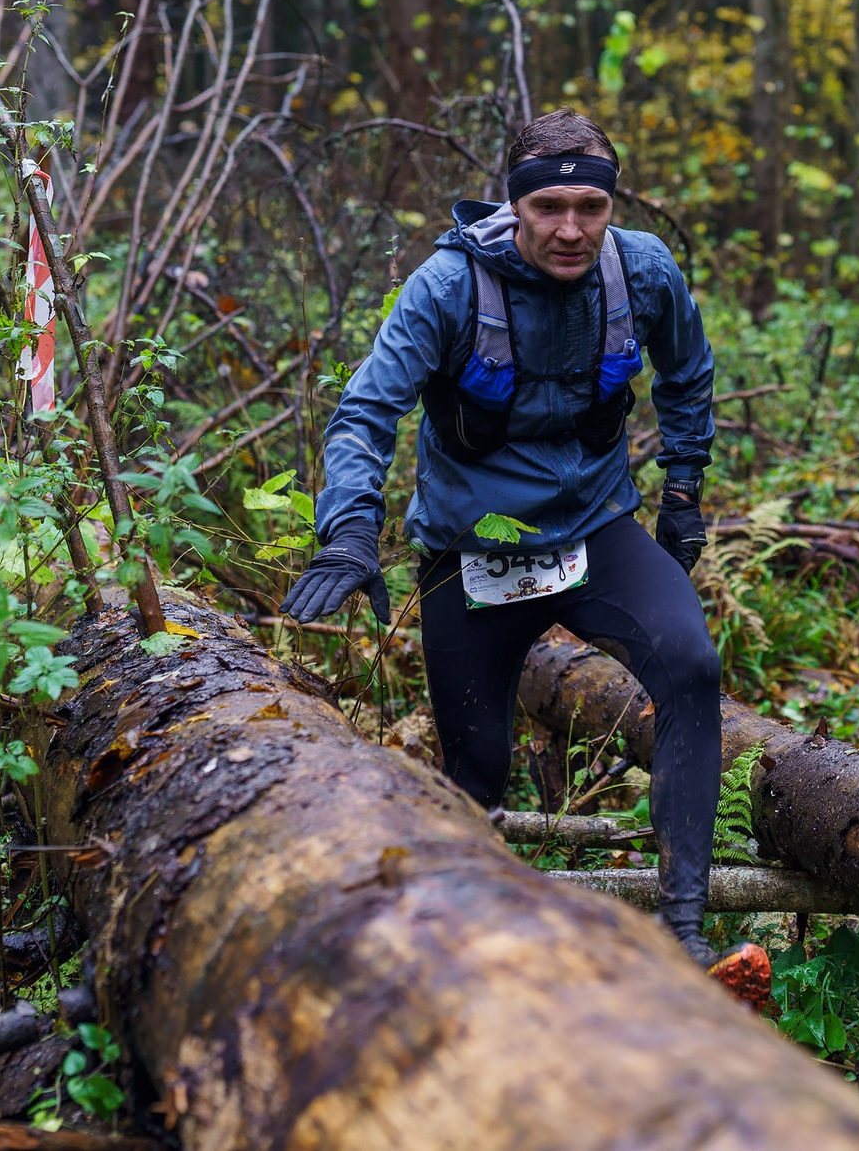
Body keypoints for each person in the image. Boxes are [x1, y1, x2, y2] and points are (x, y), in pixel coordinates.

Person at [286, 109, 724, 962]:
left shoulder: (642, 271)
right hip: (472, 555)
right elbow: (365, 412)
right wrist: (347, 533)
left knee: (693, 667)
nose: (571, 229)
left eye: (590, 207)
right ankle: (470, 951)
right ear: (514, 204)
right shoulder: (449, 287)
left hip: (596, 528)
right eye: (551, 206)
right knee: (476, 774)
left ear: (612, 204)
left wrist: (684, 489)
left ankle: (685, 925)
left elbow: (687, 371)